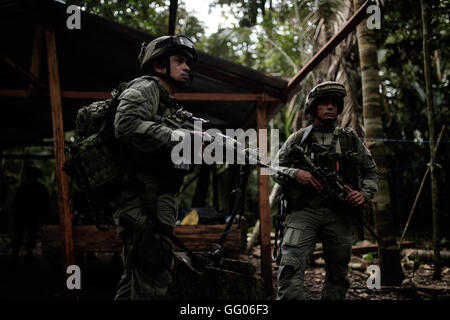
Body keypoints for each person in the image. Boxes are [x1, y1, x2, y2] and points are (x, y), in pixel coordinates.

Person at [272, 81, 378, 300]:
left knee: (338, 275)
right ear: (314, 108)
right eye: (324, 104)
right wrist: (296, 175)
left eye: (334, 104)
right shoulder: (299, 138)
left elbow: (370, 172)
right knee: (290, 266)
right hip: (304, 211)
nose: (330, 108)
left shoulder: (349, 139)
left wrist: (364, 194)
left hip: (339, 213)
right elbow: (274, 169)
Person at [113, 35, 198, 300]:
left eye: (188, 62)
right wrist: (183, 137)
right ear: (160, 65)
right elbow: (125, 125)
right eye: (180, 61)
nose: (187, 67)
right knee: (153, 267)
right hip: (143, 194)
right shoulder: (147, 87)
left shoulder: (165, 100)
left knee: (137, 272)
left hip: (155, 194)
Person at [12, 166, 49, 264]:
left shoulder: (24, 187)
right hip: (29, 215)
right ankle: (25, 254)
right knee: (27, 234)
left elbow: (16, 203)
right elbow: (45, 203)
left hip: (26, 215)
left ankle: (20, 254)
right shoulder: (39, 188)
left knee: (23, 235)